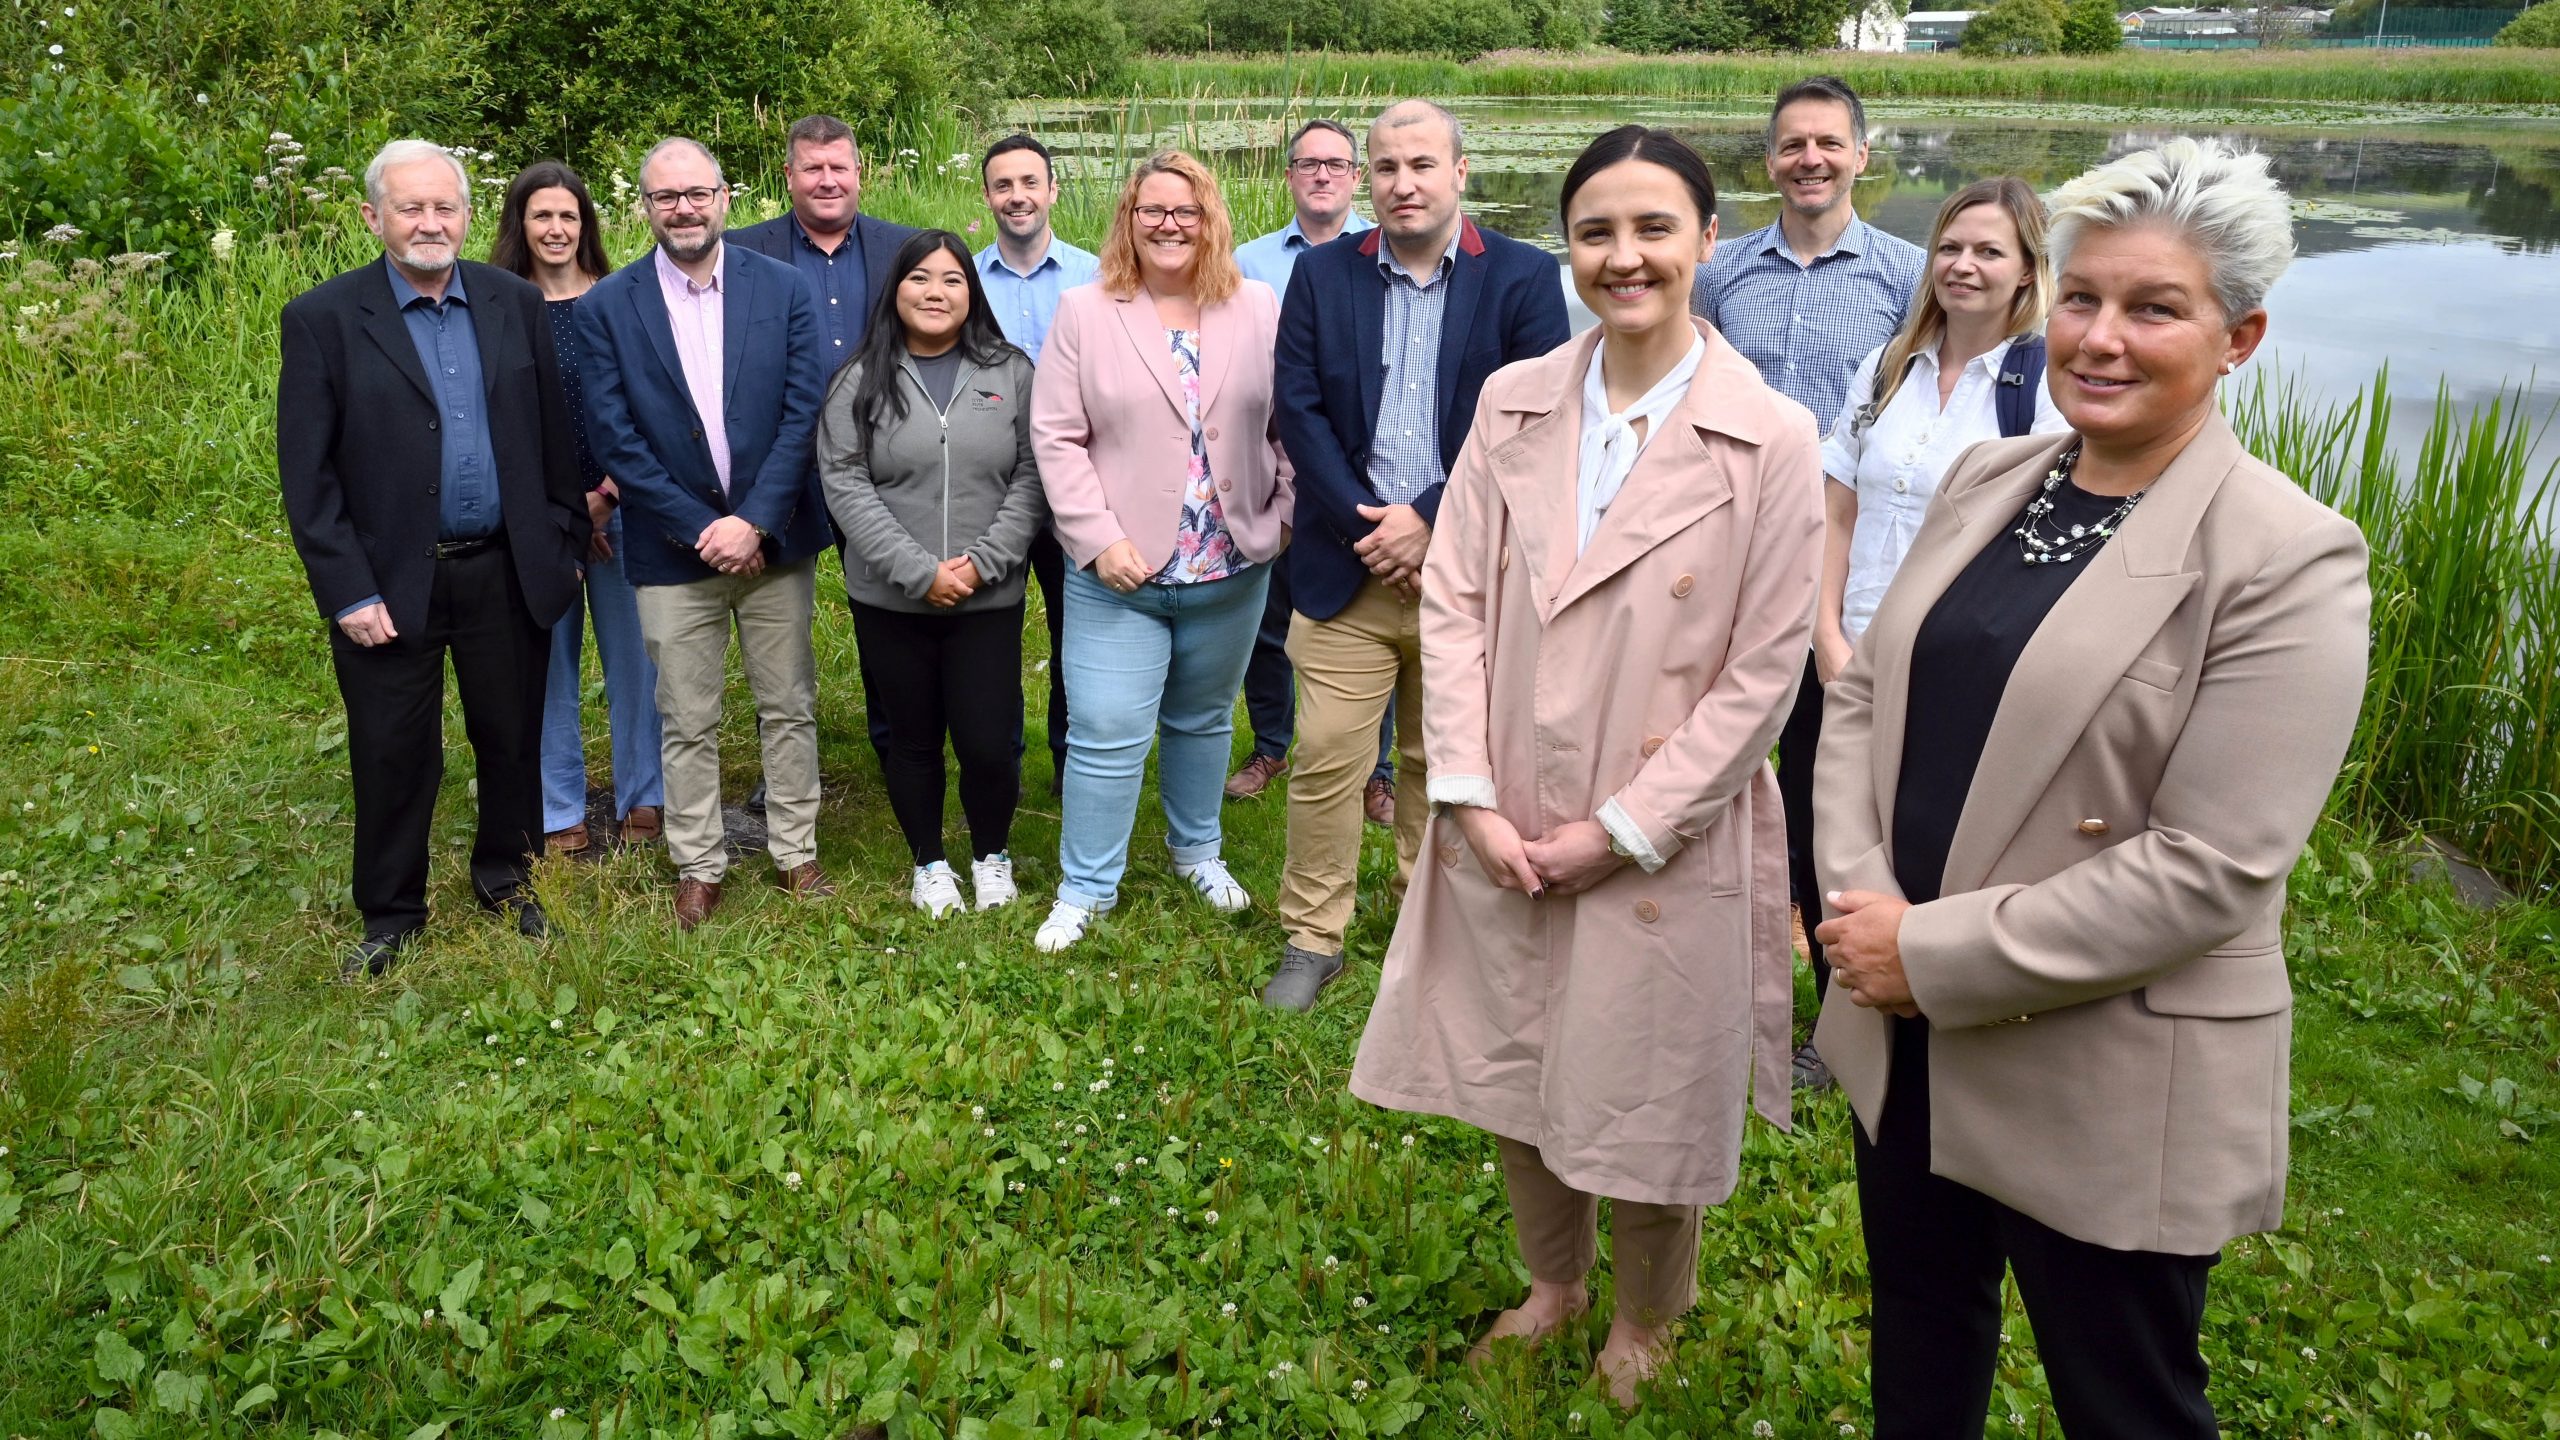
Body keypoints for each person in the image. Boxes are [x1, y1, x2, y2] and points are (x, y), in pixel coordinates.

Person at [1811, 138, 2370, 1439]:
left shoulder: (2286, 558)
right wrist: (1859, 894)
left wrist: (1926, 952)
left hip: (2101, 1061)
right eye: (2083, 298)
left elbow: (2212, 867)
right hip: (1908, 1035)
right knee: (1922, 1337)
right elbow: (1862, 695)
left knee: (2124, 1400)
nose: (2102, 337)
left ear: (2240, 337)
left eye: (2154, 307)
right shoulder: (1988, 481)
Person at [1351, 126, 1822, 1407]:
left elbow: (1764, 673)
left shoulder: (1771, 437)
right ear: (1568, 247)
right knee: (1513, 1059)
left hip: (1658, 825)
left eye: (1654, 229)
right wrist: (1465, 790)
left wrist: (1623, 826)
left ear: (1707, 241)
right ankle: (1554, 1281)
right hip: (1506, 804)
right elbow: (1449, 604)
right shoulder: (1514, 401)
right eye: (1597, 232)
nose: (1625, 258)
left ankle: (1645, 1313)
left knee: (1652, 1088)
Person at [1259, 101, 1571, 1011]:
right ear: (1368, 179)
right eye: (1386, 166)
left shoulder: (1519, 276)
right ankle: (1312, 936)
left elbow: (1530, 420)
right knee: (1324, 759)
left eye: (1421, 164)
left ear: (1460, 173)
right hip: (1346, 564)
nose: (1403, 183)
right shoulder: (1322, 277)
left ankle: (1430, 927)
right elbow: (1298, 408)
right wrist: (1372, 524)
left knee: (1446, 764)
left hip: (1470, 568)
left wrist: (1430, 519)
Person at [276, 139, 588, 976]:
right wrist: (346, 590)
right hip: (388, 582)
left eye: (444, 207)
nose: (429, 223)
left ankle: (509, 881)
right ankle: (390, 914)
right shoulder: (324, 320)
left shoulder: (512, 301)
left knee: (511, 736)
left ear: (466, 215)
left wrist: (559, 542)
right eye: (410, 208)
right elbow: (307, 478)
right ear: (373, 217)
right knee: (393, 748)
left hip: (506, 568)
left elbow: (555, 440)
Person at [1690, 74, 1925, 1092]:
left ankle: (1833, 1019)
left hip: (1838, 566)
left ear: (1861, 156)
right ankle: (1709, 977)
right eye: (1791, 144)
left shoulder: (1909, 276)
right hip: (1725, 554)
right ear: (1769, 158)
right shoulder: (1722, 272)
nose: (1809, 160)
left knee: (1830, 782)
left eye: (1828, 143)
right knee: (1717, 761)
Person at [1027, 150, 1294, 954]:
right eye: (1153, 211)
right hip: (1121, 572)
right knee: (1106, 728)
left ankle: (1197, 852)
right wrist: (1097, 538)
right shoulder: (1085, 310)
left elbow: (1290, 425)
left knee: (1205, 718)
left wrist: (1280, 518)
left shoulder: (1258, 306)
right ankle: (1086, 888)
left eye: (1187, 211)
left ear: (1211, 219)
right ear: (1129, 220)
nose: (1170, 224)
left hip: (1231, 565)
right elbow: (1056, 436)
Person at [575, 137, 834, 931]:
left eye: (697, 192)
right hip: (668, 549)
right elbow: (616, 438)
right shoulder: (606, 308)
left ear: (725, 196)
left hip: (774, 538)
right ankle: (698, 861)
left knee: (787, 701)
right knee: (685, 714)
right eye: (665, 197)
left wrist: (753, 520)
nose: (683, 208)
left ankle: (795, 851)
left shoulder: (784, 290)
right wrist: (702, 528)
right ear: (645, 209)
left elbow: (802, 413)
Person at [819, 230, 1047, 917]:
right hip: (892, 599)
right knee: (911, 738)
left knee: (987, 742)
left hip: (988, 596)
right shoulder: (859, 378)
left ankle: (992, 855)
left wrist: (981, 565)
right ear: (896, 290)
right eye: (920, 278)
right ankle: (930, 861)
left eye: (951, 280)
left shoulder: (1011, 372)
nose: (935, 293)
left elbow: (1035, 473)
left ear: (970, 293)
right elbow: (845, 481)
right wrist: (919, 572)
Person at [731, 114, 922, 797]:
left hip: (881, 468)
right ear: (788, 177)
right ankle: (783, 770)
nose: (827, 179)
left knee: (889, 610)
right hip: (778, 467)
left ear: (859, 173)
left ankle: (899, 748)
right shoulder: (741, 253)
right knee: (774, 626)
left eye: (839, 166)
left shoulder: (905, 250)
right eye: (812, 168)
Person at [1816, 176, 2067, 687]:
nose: (1962, 265)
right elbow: (1837, 513)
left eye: (1989, 252)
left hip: (1952, 674)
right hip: (1842, 658)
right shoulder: (1888, 367)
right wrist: (1825, 640)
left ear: (2027, 271)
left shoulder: (2046, 387)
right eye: (1949, 248)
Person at [488, 160, 667, 859]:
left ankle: (642, 794)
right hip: (538, 519)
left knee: (636, 662)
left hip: (625, 507)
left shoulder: (622, 299)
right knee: (549, 665)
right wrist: (562, 510)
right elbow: (498, 420)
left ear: (585, 225)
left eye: (568, 216)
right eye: (542, 216)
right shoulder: (498, 307)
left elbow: (648, 405)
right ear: (520, 225)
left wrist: (607, 497)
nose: (556, 229)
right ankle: (559, 801)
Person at [1225, 117, 1396, 823]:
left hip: (1366, 473)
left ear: (1356, 175)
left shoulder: (1386, 253)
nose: (1321, 175)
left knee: (1373, 615)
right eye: (1307, 164)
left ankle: (1376, 770)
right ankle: (1271, 744)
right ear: (1289, 176)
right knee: (1271, 617)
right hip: (1274, 465)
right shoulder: (1245, 262)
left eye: (1336, 164)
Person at [975, 132, 1098, 795]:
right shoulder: (960, 280)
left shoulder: (1099, 277)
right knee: (991, 635)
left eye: (1029, 183)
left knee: (1076, 632)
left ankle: (1072, 763)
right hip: (988, 489)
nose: (1017, 197)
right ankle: (1000, 764)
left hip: (1075, 487)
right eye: (1003, 185)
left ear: (1052, 190)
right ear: (988, 195)